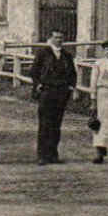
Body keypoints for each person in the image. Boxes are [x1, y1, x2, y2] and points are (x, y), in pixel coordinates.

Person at [31, 30, 75, 164]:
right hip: (47, 92)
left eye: (61, 38)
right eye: (56, 37)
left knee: (57, 125)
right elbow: (34, 71)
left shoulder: (67, 56)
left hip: (61, 93)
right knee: (45, 124)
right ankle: (42, 155)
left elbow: (73, 74)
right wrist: (38, 84)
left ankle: (53, 155)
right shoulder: (43, 54)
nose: (59, 40)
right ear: (51, 38)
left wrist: (71, 87)